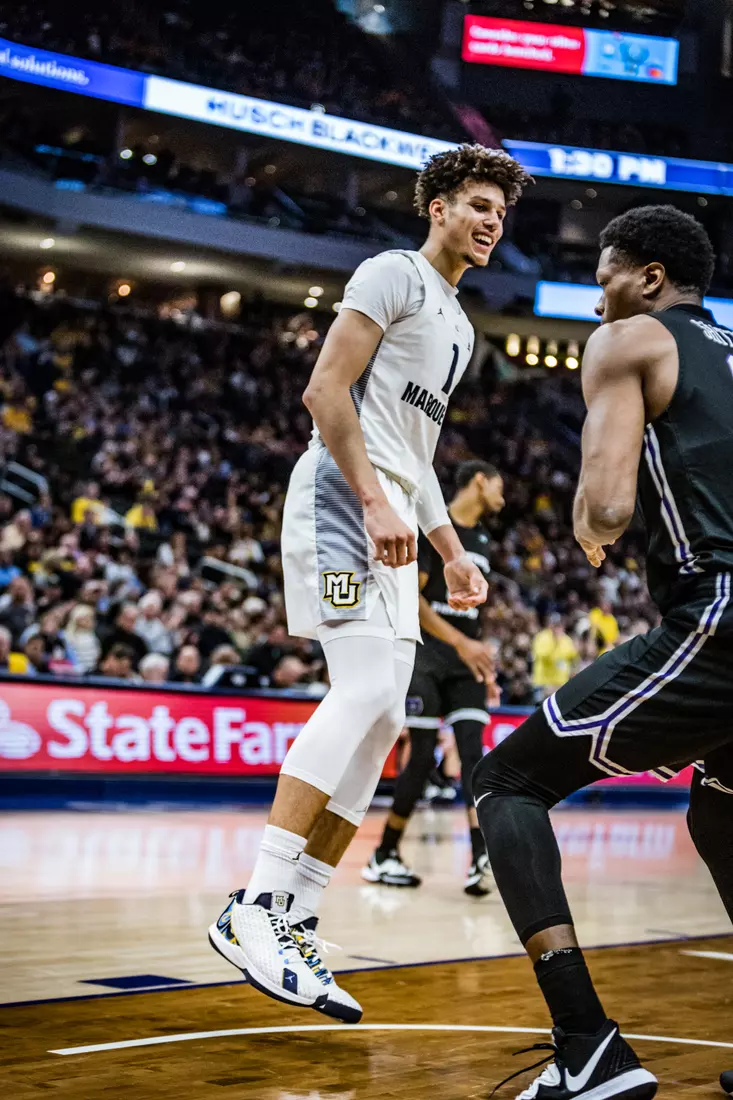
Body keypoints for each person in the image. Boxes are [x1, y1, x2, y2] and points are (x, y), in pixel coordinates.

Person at [209, 144, 531, 1022]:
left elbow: (416, 458)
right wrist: (371, 501)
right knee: (359, 695)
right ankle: (256, 907)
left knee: (389, 714)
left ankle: (297, 916)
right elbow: (325, 393)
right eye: (474, 202)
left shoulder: (460, 327)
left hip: (390, 520)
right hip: (340, 504)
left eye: (499, 210)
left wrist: (450, 548)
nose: (490, 219)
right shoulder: (389, 272)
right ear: (436, 206)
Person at [473, 205, 733, 1099]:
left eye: (604, 277)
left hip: (719, 615)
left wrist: (589, 527)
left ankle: (587, 1050)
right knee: (721, 814)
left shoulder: (629, 341)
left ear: (649, 278)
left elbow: (610, 507)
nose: (596, 300)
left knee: (506, 783)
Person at [362, 460, 504, 896]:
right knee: (421, 758)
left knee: (473, 756)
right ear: (480, 480)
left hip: (466, 666)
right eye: (500, 485)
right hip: (425, 657)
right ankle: (384, 853)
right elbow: (414, 599)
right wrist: (460, 644)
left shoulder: (483, 540)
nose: (504, 495)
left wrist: (481, 661)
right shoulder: (430, 527)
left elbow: (475, 615)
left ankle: (481, 857)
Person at [531, 613, 578, 703]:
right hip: (544, 684)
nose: (558, 628)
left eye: (560, 625)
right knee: (540, 712)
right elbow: (543, 656)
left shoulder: (566, 639)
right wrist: (555, 642)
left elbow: (572, 656)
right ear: (550, 625)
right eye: (555, 625)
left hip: (561, 685)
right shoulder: (541, 637)